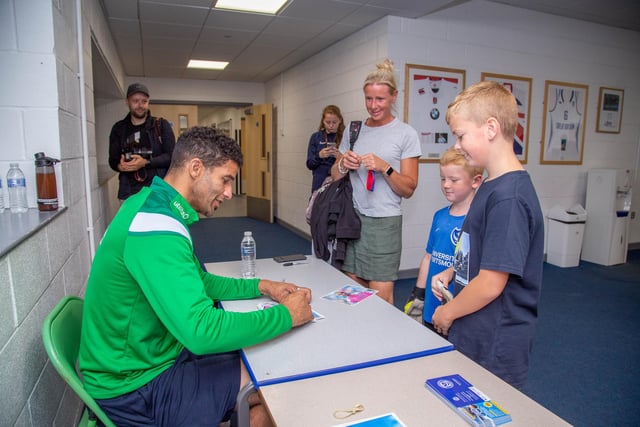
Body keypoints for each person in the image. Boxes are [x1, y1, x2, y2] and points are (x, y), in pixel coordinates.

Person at [79, 127, 313, 426]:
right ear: (195, 168)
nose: (229, 192)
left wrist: (263, 285)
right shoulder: (155, 227)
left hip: (150, 360)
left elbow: (199, 283)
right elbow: (201, 332)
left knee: (260, 362)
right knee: (277, 381)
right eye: (225, 180)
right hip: (135, 389)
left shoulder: (152, 204)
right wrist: (287, 316)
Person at [431, 81, 544, 388]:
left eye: (461, 135)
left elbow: (493, 283)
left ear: (491, 128)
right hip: (474, 325)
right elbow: (481, 249)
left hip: (496, 338)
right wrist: (452, 271)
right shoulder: (490, 185)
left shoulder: (509, 197)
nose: (457, 144)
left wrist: (446, 313)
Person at [331, 59, 421, 304]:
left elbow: (409, 188)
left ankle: (386, 341)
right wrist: (342, 163)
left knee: (381, 295)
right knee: (352, 288)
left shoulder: (406, 134)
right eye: (369, 99)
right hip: (353, 220)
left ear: (393, 97)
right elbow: (334, 175)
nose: (373, 105)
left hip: (384, 223)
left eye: (380, 99)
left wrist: (385, 168)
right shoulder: (354, 129)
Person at [403, 148, 483, 328]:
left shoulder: (478, 220)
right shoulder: (439, 216)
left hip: (459, 307)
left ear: (475, 181)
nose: (446, 185)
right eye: (443, 179)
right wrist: (418, 293)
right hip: (432, 302)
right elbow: (429, 256)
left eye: (454, 180)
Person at [108, 83, 176, 200]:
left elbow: (172, 156)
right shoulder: (118, 129)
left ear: (148, 102)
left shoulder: (161, 125)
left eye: (144, 101)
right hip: (129, 193)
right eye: (135, 101)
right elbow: (112, 160)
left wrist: (145, 162)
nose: (140, 105)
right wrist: (120, 166)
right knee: (130, 219)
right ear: (127, 102)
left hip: (158, 192)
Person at [306, 105, 345, 192]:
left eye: (334, 122)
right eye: (328, 122)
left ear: (340, 121)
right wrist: (319, 156)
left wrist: (340, 157)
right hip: (319, 182)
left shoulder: (345, 137)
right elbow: (309, 164)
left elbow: (352, 164)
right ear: (323, 121)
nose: (331, 125)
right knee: (317, 204)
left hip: (339, 182)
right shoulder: (316, 137)